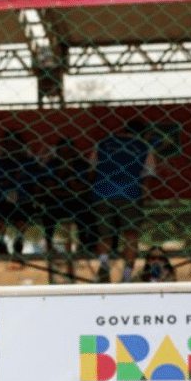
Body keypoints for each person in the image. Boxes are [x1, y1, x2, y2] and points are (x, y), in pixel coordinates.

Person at [89, 118, 157, 283]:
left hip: (103, 193)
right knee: (130, 235)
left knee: (105, 236)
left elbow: (91, 170)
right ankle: (127, 274)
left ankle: (104, 268)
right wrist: (144, 193)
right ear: (142, 133)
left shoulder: (103, 144)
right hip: (130, 193)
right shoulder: (144, 147)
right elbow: (148, 174)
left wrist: (95, 187)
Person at [0, 129, 43, 257]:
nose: (11, 148)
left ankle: (19, 241)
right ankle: (1, 243)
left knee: (21, 219)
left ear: (20, 145)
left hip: (23, 201)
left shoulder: (29, 163)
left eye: (14, 144)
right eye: (8, 144)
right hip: (3, 201)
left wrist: (37, 200)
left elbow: (36, 185)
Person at [36, 137, 96, 256]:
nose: (65, 155)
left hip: (76, 201)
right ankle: (49, 244)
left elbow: (81, 187)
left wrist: (70, 174)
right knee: (48, 212)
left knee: (85, 212)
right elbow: (49, 187)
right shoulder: (51, 164)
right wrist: (60, 174)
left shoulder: (80, 165)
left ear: (73, 151)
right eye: (62, 152)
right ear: (57, 152)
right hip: (56, 200)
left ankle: (85, 243)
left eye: (68, 151)